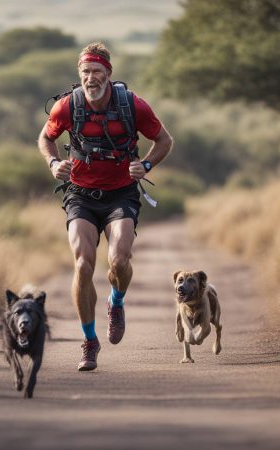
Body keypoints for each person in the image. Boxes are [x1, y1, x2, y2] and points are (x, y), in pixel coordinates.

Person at [38, 42, 173, 371]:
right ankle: (89, 340)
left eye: (97, 71)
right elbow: (45, 138)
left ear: (109, 74)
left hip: (121, 194)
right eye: (85, 72)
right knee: (83, 265)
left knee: (119, 261)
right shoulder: (67, 107)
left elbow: (165, 140)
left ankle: (116, 302)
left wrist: (147, 166)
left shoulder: (132, 105)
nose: (91, 77)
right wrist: (53, 161)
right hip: (80, 195)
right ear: (79, 74)